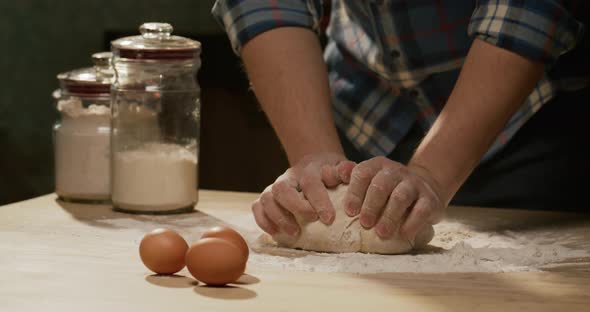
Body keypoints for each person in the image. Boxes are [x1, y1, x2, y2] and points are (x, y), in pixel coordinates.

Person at [212, 1, 589, 242]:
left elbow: (529, 11)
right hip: (366, 108)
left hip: (522, 122)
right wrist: (315, 155)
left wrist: (432, 174)